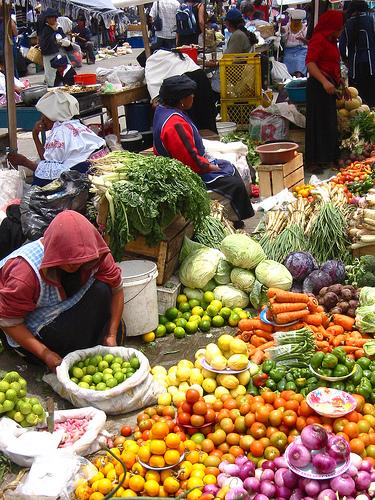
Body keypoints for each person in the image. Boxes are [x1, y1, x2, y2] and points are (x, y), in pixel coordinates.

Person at [0, 210, 124, 372]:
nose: (74, 265)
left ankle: (91, 343)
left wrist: (111, 335)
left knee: (103, 290)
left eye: (81, 260)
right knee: (64, 342)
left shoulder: (96, 253)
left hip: (62, 305)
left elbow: (117, 289)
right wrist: (46, 354)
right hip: (25, 321)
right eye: (68, 260)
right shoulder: (25, 273)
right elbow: (9, 321)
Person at [153, 75, 254, 224]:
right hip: (184, 174)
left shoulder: (162, 110)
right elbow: (191, 161)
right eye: (190, 95)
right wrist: (211, 166)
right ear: (181, 100)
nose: (193, 97)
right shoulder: (175, 124)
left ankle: (235, 216)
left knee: (229, 166)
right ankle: (232, 220)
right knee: (233, 183)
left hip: (183, 164)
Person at [7, 90, 106, 186]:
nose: (42, 119)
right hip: (97, 164)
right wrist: (35, 135)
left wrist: (24, 161)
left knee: (40, 180)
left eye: (44, 115)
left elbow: (48, 169)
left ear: (52, 115)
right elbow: (47, 161)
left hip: (84, 172)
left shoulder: (59, 132)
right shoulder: (77, 125)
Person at [305, 10, 345, 172]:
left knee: (328, 122)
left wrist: (342, 84)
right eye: (339, 28)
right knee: (317, 123)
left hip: (329, 86)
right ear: (331, 27)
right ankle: (313, 161)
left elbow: (333, 64)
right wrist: (324, 82)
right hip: (318, 86)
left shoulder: (331, 41)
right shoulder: (318, 39)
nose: (340, 31)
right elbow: (310, 63)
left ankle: (327, 158)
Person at [339, 0, 375, 107]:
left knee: (356, 99)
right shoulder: (371, 20)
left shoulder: (346, 24)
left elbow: (341, 46)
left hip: (354, 66)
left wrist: (346, 60)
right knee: (371, 96)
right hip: (371, 65)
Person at [38, 8, 72, 87]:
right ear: (46, 19)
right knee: (52, 76)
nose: (51, 19)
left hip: (61, 54)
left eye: (53, 17)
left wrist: (66, 43)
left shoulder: (58, 27)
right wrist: (54, 36)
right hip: (50, 56)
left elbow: (63, 38)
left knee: (66, 72)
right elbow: (44, 44)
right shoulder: (45, 30)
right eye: (49, 18)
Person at [282, 9, 308, 76]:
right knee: (287, 60)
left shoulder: (304, 28)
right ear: (291, 19)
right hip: (289, 50)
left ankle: (298, 77)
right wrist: (283, 32)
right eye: (295, 20)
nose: (296, 22)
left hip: (301, 50)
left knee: (299, 60)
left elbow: (308, 42)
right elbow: (283, 39)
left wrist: (302, 39)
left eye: (298, 20)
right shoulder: (287, 27)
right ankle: (289, 77)